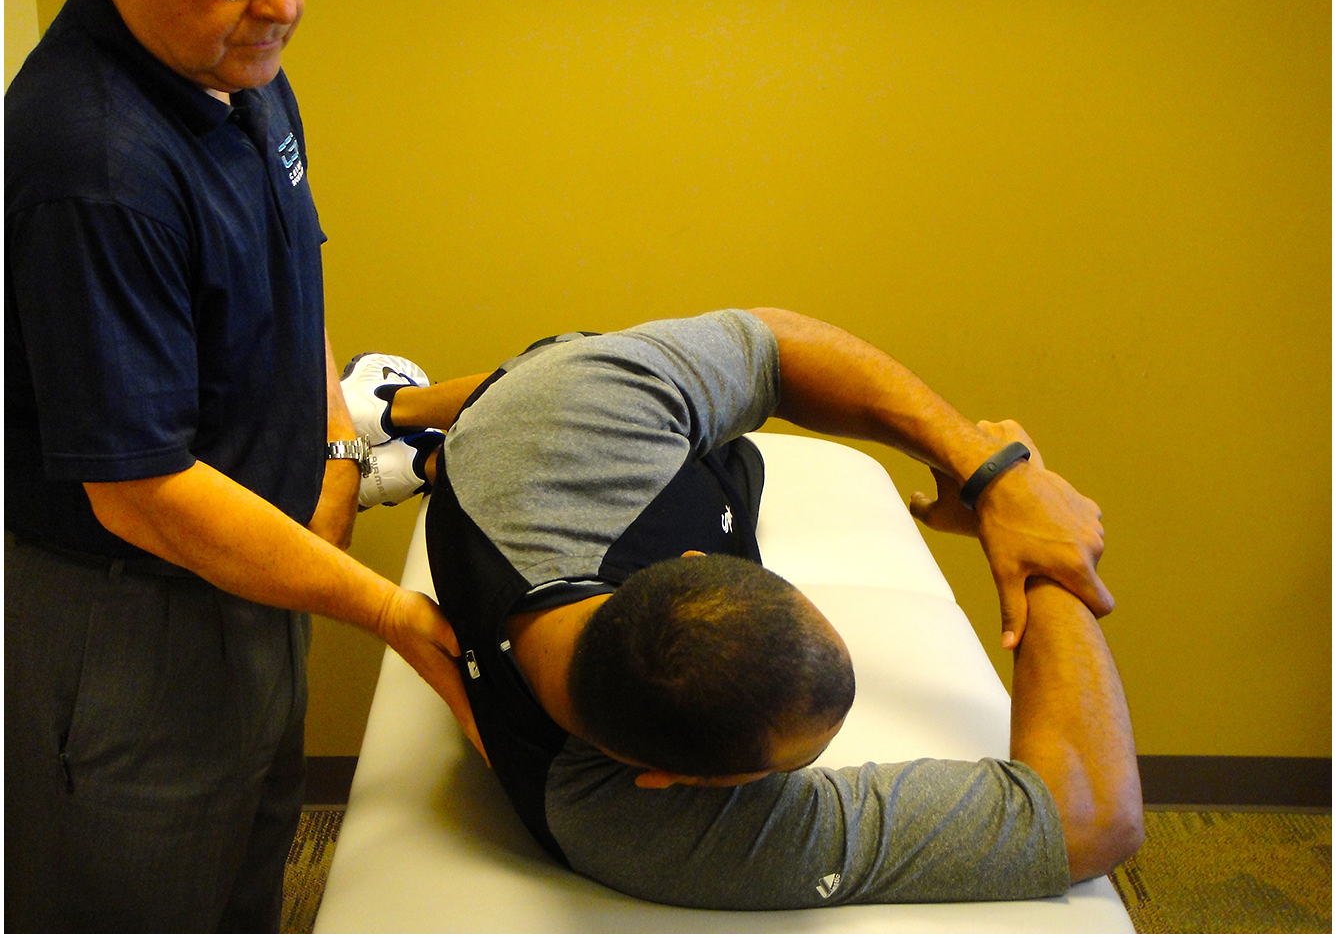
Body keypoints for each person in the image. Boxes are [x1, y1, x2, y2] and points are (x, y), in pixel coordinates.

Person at [343, 308, 1143, 909]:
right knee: (570, 383)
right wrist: (1049, 565)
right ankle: (420, 442)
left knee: (556, 367)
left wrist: (998, 478)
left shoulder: (568, 422)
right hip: (592, 470)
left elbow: (775, 346)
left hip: (541, 431)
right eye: (788, 766)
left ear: (696, 566)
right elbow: (1088, 821)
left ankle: (404, 417)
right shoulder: (625, 824)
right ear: (667, 781)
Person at [4, 0, 478, 931]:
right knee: (144, 892)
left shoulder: (237, 68)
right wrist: (388, 612)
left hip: (263, 564)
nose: (282, 4)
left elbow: (290, 273)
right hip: (130, 611)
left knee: (249, 862)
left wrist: (338, 449)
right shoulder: (92, 163)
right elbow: (142, 492)